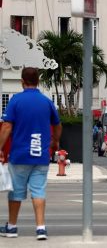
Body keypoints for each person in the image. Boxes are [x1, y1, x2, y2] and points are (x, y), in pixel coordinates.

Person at [0, 67, 62, 240]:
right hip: (41, 156)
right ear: (38, 82)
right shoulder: (46, 101)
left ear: (22, 81)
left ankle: (12, 227)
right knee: (39, 191)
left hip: (19, 155)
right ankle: (40, 228)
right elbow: (58, 125)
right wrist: (55, 141)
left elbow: (6, 126)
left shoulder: (16, 100)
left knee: (16, 193)